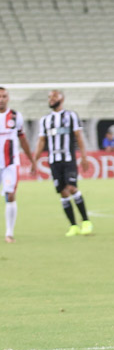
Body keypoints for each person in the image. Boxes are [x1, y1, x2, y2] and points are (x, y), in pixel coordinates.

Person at [31, 90, 93, 237]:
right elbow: (41, 141)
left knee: (72, 187)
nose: (51, 99)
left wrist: (84, 157)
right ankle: (73, 226)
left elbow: (79, 137)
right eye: (49, 97)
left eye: (54, 96)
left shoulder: (71, 116)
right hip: (54, 161)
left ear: (62, 99)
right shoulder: (45, 120)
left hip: (68, 159)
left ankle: (86, 222)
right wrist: (34, 160)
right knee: (63, 192)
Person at [0, 87, 35, 243]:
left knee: (10, 195)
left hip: (10, 164)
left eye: (4, 96)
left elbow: (23, 139)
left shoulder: (16, 116)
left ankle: (9, 233)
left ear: (8, 98)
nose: (1, 99)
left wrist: (32, 160)